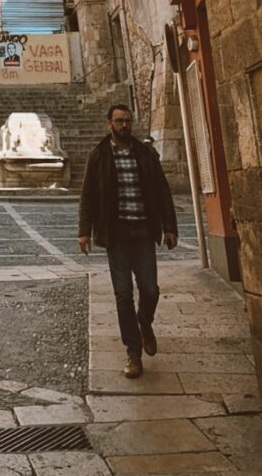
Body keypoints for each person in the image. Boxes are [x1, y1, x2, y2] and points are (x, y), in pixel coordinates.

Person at [78, 104, 178, 379]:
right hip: (117, 235)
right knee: (123, 294)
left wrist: (170, 227)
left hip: (144, 232)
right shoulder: (98, 155)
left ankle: (144, 321)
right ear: (109, 123)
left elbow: (162, 191)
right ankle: (133, 353)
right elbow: (87, 196)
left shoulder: (145, 154)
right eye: (119, 121)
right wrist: (83, 231)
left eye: (128, 121)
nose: (124, 125)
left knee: (151, 290)